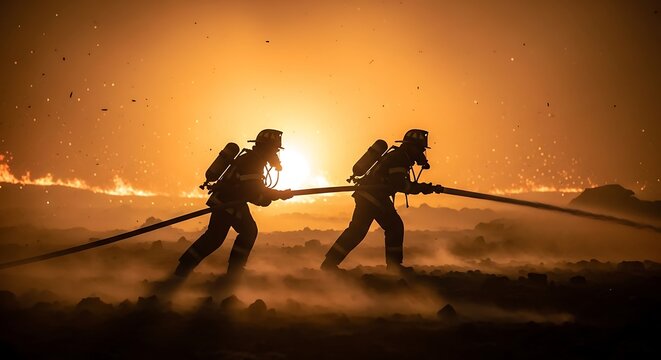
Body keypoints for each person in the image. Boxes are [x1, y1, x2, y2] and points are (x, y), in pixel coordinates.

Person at [174, 129, 292, 279]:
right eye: (274, 150)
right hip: (229, 204)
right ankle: (234, 273)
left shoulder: (253, 159)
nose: (276, 154)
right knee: (247, 232)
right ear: (266, 148)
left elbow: (254, 191)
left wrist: (270, 197)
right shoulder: (253, 161)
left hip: (229, 202)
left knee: (214, 238)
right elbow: (253, 190)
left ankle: (184, 268)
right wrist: (279, 195)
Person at [321, 129, 443, 274]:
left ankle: (329, 264)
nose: (422, 153)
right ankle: (394, 267)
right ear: (411, 147)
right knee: (394, 226)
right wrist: (425, 188)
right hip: (374, 197)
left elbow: (398, 183)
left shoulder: (399, 156)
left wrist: (426, 187)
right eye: (421, 149)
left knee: (358, 231)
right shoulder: (400, 158)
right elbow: (400, 184)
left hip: (369, 196)